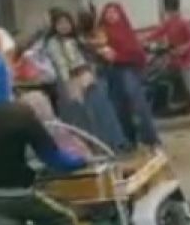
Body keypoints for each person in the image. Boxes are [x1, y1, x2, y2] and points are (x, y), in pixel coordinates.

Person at [0, 56, 89, 225]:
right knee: (65, 219)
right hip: (17, 195)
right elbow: (54, 158)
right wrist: (79, 162)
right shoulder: (20, 114)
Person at [42, 8, 128, 151]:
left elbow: (91, 56)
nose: (64, 26)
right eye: (60, 23)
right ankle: (90, 148)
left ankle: (114, 143)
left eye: (66, 22)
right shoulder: (53, 43)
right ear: (54, 26)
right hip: (71, 81)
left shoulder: (78, 39)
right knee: (81, 117)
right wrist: (69, 85)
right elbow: (60, 64)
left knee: (102, 111)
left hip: (88, 78)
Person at [99, 2, 161, 149]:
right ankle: (129, 140)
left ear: (120, 14)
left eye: (114, 12)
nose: (111, 15)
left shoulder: (126, 30)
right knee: (119, 108)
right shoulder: (102, 32)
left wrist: (119, 57)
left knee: (139, 105)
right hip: (112, 72)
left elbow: (137, 53)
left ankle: (150, 139)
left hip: (129, 70)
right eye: (108, 12)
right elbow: (98, 50)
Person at [146, 0, 190, 128]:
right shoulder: (169, 23)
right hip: (173, 59)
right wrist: (141, 40)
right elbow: (157, 33)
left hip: (187, 61)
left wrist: (183, 48)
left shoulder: (183, 23)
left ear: (168, 8)